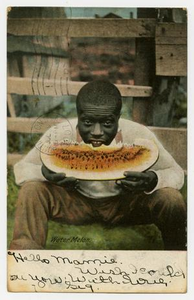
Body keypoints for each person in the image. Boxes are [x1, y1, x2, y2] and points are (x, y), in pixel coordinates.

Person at [10, 80, 186, 250]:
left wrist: (153, 180)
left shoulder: (138, 134)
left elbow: (177, 173)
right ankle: (25, 256)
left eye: (107, 123)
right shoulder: (58, 134)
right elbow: (21, 170)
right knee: (31, 190)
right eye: (87, 123)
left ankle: (179, 258)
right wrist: (45, 173)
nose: (96, 132)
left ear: (118, 117)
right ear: (78, 116)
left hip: (126, 206)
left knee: (171, 198)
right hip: (75, 204)